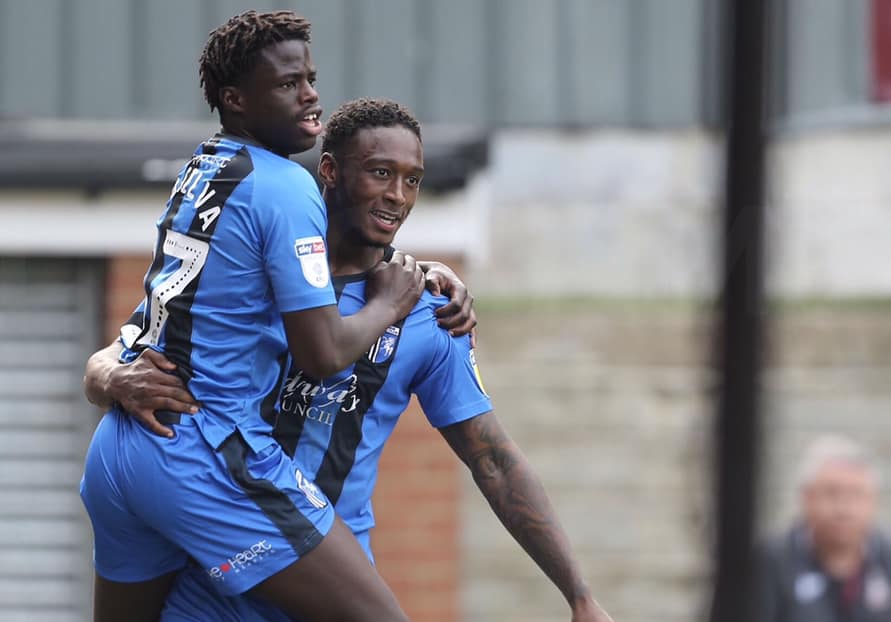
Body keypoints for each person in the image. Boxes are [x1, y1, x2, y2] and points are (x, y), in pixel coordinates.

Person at [86, 98, 613, 622]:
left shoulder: (430, 314)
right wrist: (111, 376)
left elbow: (491, 458)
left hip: (328, 586)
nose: (397, 196)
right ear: (331, 171)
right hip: (212, 586)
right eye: (381, 173)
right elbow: (125, 348)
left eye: (412, 180)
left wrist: (579, 595)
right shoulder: (251, 274)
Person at [79, 12, 474, 622]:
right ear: (235, 99)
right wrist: (391, 302)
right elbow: (322, 353)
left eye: (311, 79)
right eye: (289, 84)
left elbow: (168, 312)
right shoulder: (288, 186)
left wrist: (105, 374)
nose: (310, 95)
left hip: (117, 450)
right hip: (200, 450)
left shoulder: (201, 171)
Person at [758, 435, 891, 622]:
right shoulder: (770, 562)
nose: (844, 509)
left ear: (874, 501)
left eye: (857, 494)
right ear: (806, 497)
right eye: (831, 493)